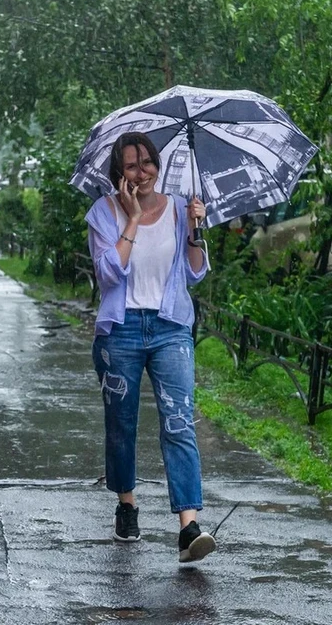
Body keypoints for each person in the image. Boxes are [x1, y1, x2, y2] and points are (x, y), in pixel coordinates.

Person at [84, 131, 214, 563]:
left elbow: (194, 274)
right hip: (119, 332)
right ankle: (127, 505)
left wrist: (196, 229)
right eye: (131, 165)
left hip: (170, 327)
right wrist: (134, 218)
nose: (142, 172)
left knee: (179, 422)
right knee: (122, 426)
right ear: (118, 173)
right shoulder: (103, 214)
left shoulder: (179, 208)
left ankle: (188, 526)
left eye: (147, 163)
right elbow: (109, 274)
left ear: (158, 165)